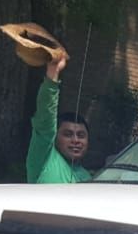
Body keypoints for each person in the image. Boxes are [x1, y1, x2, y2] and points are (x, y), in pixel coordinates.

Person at [26, 52, 91, 183]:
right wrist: (53, 72)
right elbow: (45, 118)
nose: (75, 140)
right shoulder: (45, 158)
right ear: (55, 137)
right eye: (67, 134)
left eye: (81, 135)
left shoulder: (90, 179)